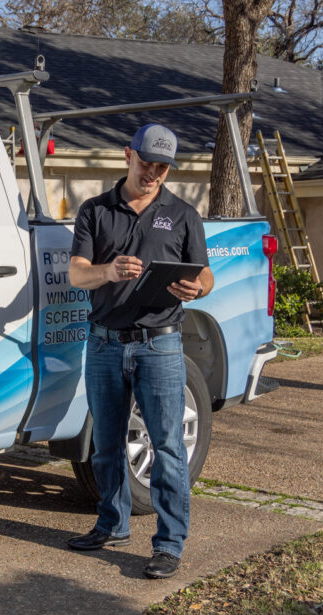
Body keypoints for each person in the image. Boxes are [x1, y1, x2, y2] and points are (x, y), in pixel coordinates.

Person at [65, 123, 214, 579]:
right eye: (145, 162)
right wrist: (108, 271)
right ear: (127, 155)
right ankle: (112, 524)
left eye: (162, 167)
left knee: (168, 446)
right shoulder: (95, 211)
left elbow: (206, 276)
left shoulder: (184, 214)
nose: (152, 173)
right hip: (105, 342)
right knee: (106, 445)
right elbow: (76, 274)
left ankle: (169, 544)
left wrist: (197, 288)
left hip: (161, 344)